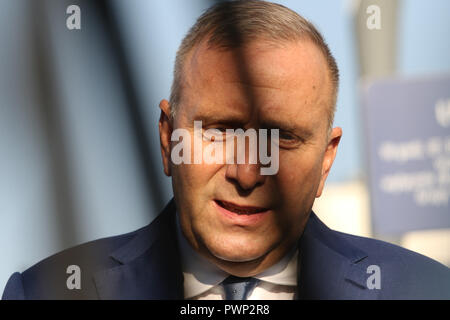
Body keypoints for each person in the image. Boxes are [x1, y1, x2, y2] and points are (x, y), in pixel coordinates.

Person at [2, 0, 449, 300]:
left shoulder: (424, 290)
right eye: (220, 131)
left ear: (327, 159)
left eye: (283, 137)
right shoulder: (46, 292)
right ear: (166, 138)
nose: (249, 171)